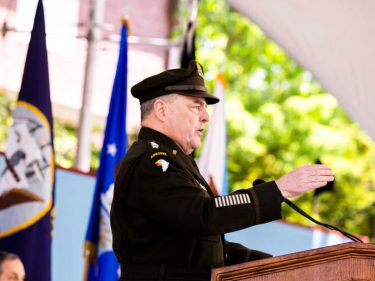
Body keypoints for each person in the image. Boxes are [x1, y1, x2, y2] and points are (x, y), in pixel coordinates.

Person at [110, 60, 334, 281]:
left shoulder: (175, 160)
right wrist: (278, 190)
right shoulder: (153, 162)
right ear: (161, 110)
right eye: (196, 106)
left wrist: (284, 267)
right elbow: (204, 214)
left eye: (205, 108)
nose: (205, 116)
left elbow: (206, 248)